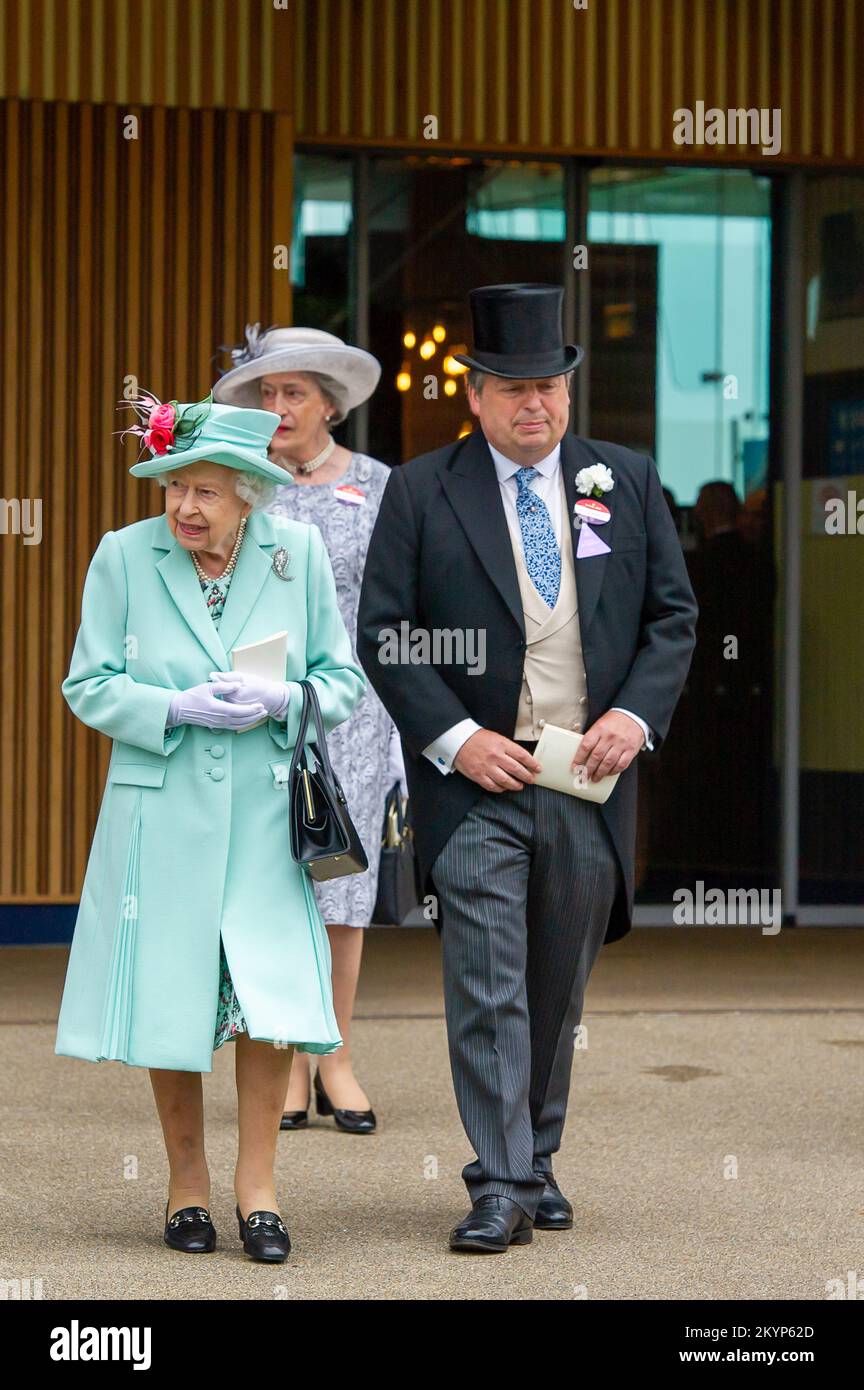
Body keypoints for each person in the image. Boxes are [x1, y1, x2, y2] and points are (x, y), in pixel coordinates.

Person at [357, 283, 698, 1252]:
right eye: (512, 388)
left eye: (548, 385)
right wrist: (456, 737)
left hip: (587, 785)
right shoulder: (422, 489)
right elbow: (384, 631)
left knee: (556, 985)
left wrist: (633, 716)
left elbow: (673, 617)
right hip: (475, 787)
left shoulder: (623, 479)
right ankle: (500, 1180)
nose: (534, 405)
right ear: (476, 395)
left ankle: (536, 1158)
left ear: (567, 389)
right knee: (488, 982)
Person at [55, 393, 365, 1261]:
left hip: (266, 820)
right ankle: (185, 1187)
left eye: (205, 493)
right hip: (162, 816)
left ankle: (257, 1192)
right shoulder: (123, 555)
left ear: (250, 495)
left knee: (266, 1005)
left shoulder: (296, 555)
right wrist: (172, 706)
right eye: (172, 489)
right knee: (175, 996)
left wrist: (286, 699)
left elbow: (341, 682)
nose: (185, 508)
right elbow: (88, 685)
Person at [214, 325, 402, 1135]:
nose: (279, 406)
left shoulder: (381, 484)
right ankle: (282, 1059)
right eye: (267, 392)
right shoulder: (241, 482)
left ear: (332, 402)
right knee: (274, 886)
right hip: (262, 699)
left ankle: (337, 1058)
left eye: (295, 393)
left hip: (354, 708)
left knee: (343, 890)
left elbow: (403, 604)